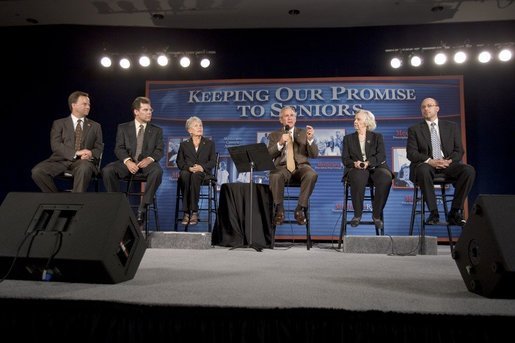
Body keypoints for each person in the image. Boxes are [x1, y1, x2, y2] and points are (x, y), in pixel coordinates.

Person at [407, 97, 476, 226]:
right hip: (427, 165)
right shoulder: (414, 129)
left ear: (437, 108)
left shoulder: (451, 127)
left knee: (468, 170)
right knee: (422, 169)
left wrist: (448, 161)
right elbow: (411, 153)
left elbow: (459, 151)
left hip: (447, 164)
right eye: (423, 107)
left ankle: (455, 212)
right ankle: (434, 213)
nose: (426, 109)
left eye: (429, 105)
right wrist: (430, 161)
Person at [102, 96, 164, 223]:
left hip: (146, 164)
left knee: (157, 171)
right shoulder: (123, 128)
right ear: (136, 112)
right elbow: (119, 148)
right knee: (108, 171)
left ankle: (143, 207)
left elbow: (159, 150)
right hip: (128, 163)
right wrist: (128, 161)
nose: (149, 112)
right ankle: (116, 205)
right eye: (145, 110)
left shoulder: (157, 130)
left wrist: (150, 159)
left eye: (150, 110)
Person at [31, 91, 103, 192]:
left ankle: (76, 202)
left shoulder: (95, 126)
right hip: (60, 160)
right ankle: (56, 199)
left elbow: (99, 147)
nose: (88, 107)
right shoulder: (59, 124)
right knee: (37, 171)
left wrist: (90, 153)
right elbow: (55, 146)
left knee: (84, 168)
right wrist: (76, 153)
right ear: (74, 105)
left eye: (89, 104)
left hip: (83, 162)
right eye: (84, 104)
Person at [342, 109, 393, 230]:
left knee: (386, 177)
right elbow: (345, 159)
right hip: (357, 169)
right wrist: (355, 163)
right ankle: (357, 214)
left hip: (375, 167)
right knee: (359, 176)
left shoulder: (377, 137)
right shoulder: (348, 139)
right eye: (355, 119)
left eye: (358, 119)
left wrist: (368, 163)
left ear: (367, 122)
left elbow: (381, 156)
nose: (355, 121)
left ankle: (376, 215)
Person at [267, 105, 318, 225]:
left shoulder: (304, 133)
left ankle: (300, 209)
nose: (289, 118)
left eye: (292, 115)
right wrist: (280, 143)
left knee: (312, 174)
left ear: (295, 118)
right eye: (286, 115)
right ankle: (279, 210)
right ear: (281, 120)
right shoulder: (274, 135)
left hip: (301, 167)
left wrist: (310, 140)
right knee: (275, 176)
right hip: (282, 168)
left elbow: (314, 154)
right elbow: (269, 155)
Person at [176, 116, 216, 225]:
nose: (200, 128)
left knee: (196, 175)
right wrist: (188, 168)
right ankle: (186, 212)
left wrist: (201, 167)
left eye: (201, 125)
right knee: (184, 175)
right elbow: (179, 162)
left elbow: (213, 161)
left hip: (203, 173)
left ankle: (194, 211)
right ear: (190, 130)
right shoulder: (184, 145)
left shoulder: (209, 144)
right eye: (196, 125)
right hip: (188, 171)